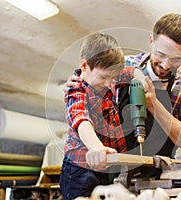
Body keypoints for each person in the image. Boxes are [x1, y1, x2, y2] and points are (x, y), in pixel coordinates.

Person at [65, 13, 181, 179]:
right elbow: (85, 95)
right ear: (151, 41)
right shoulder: (123, 66)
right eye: (161, 54)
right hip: (115, 169)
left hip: (159, 173)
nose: (165, 65)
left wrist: (153, 103)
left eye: (176, 59)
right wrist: (76, 85)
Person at [59, 32, 128, 200]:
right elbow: (81, 119)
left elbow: (129, 70)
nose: (109, 83)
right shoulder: (76, 90)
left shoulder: (105, 82)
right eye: (104, 77)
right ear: (84, 66)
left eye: (112, 78)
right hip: (79, 170)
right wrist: (96, 147)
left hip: (104, 164)